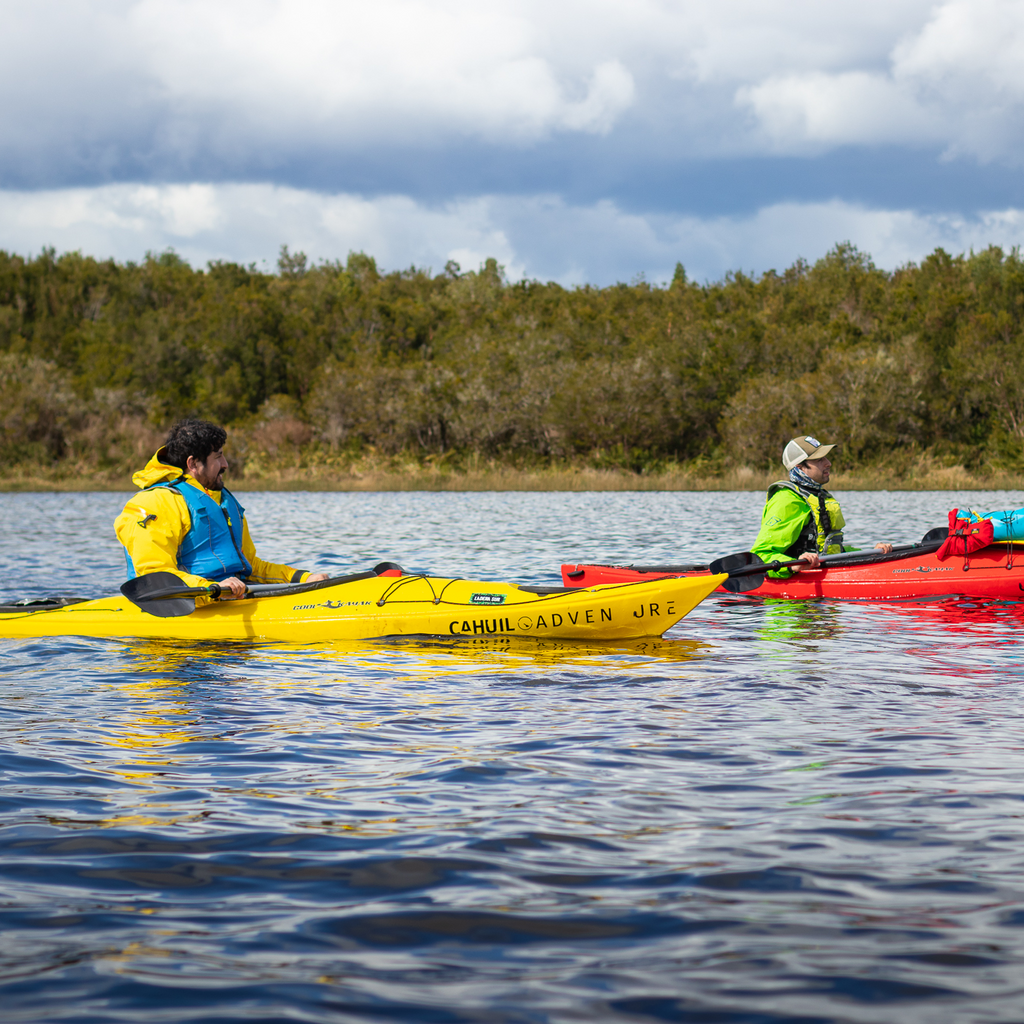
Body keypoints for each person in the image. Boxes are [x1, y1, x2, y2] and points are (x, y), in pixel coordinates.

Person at [114, 419, 328, 598]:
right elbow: (155, 575)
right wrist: (213, 589)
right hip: (187, 603)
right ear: (193, 464)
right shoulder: (155, 503)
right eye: (218, 456)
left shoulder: (222, 500)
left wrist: (302, 578)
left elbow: (251, 566)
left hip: (231, 595)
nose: (225, 464)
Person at [751, 435, 893, 573]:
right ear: (799, 466)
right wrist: (793, 565)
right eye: (819, 459)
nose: (828, 463)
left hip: (827, 572)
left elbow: (833, 550)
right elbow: (762, 555)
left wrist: (872, 553)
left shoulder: (817, 496)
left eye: (825, 457)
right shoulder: (786, 501)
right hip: (799, 582)